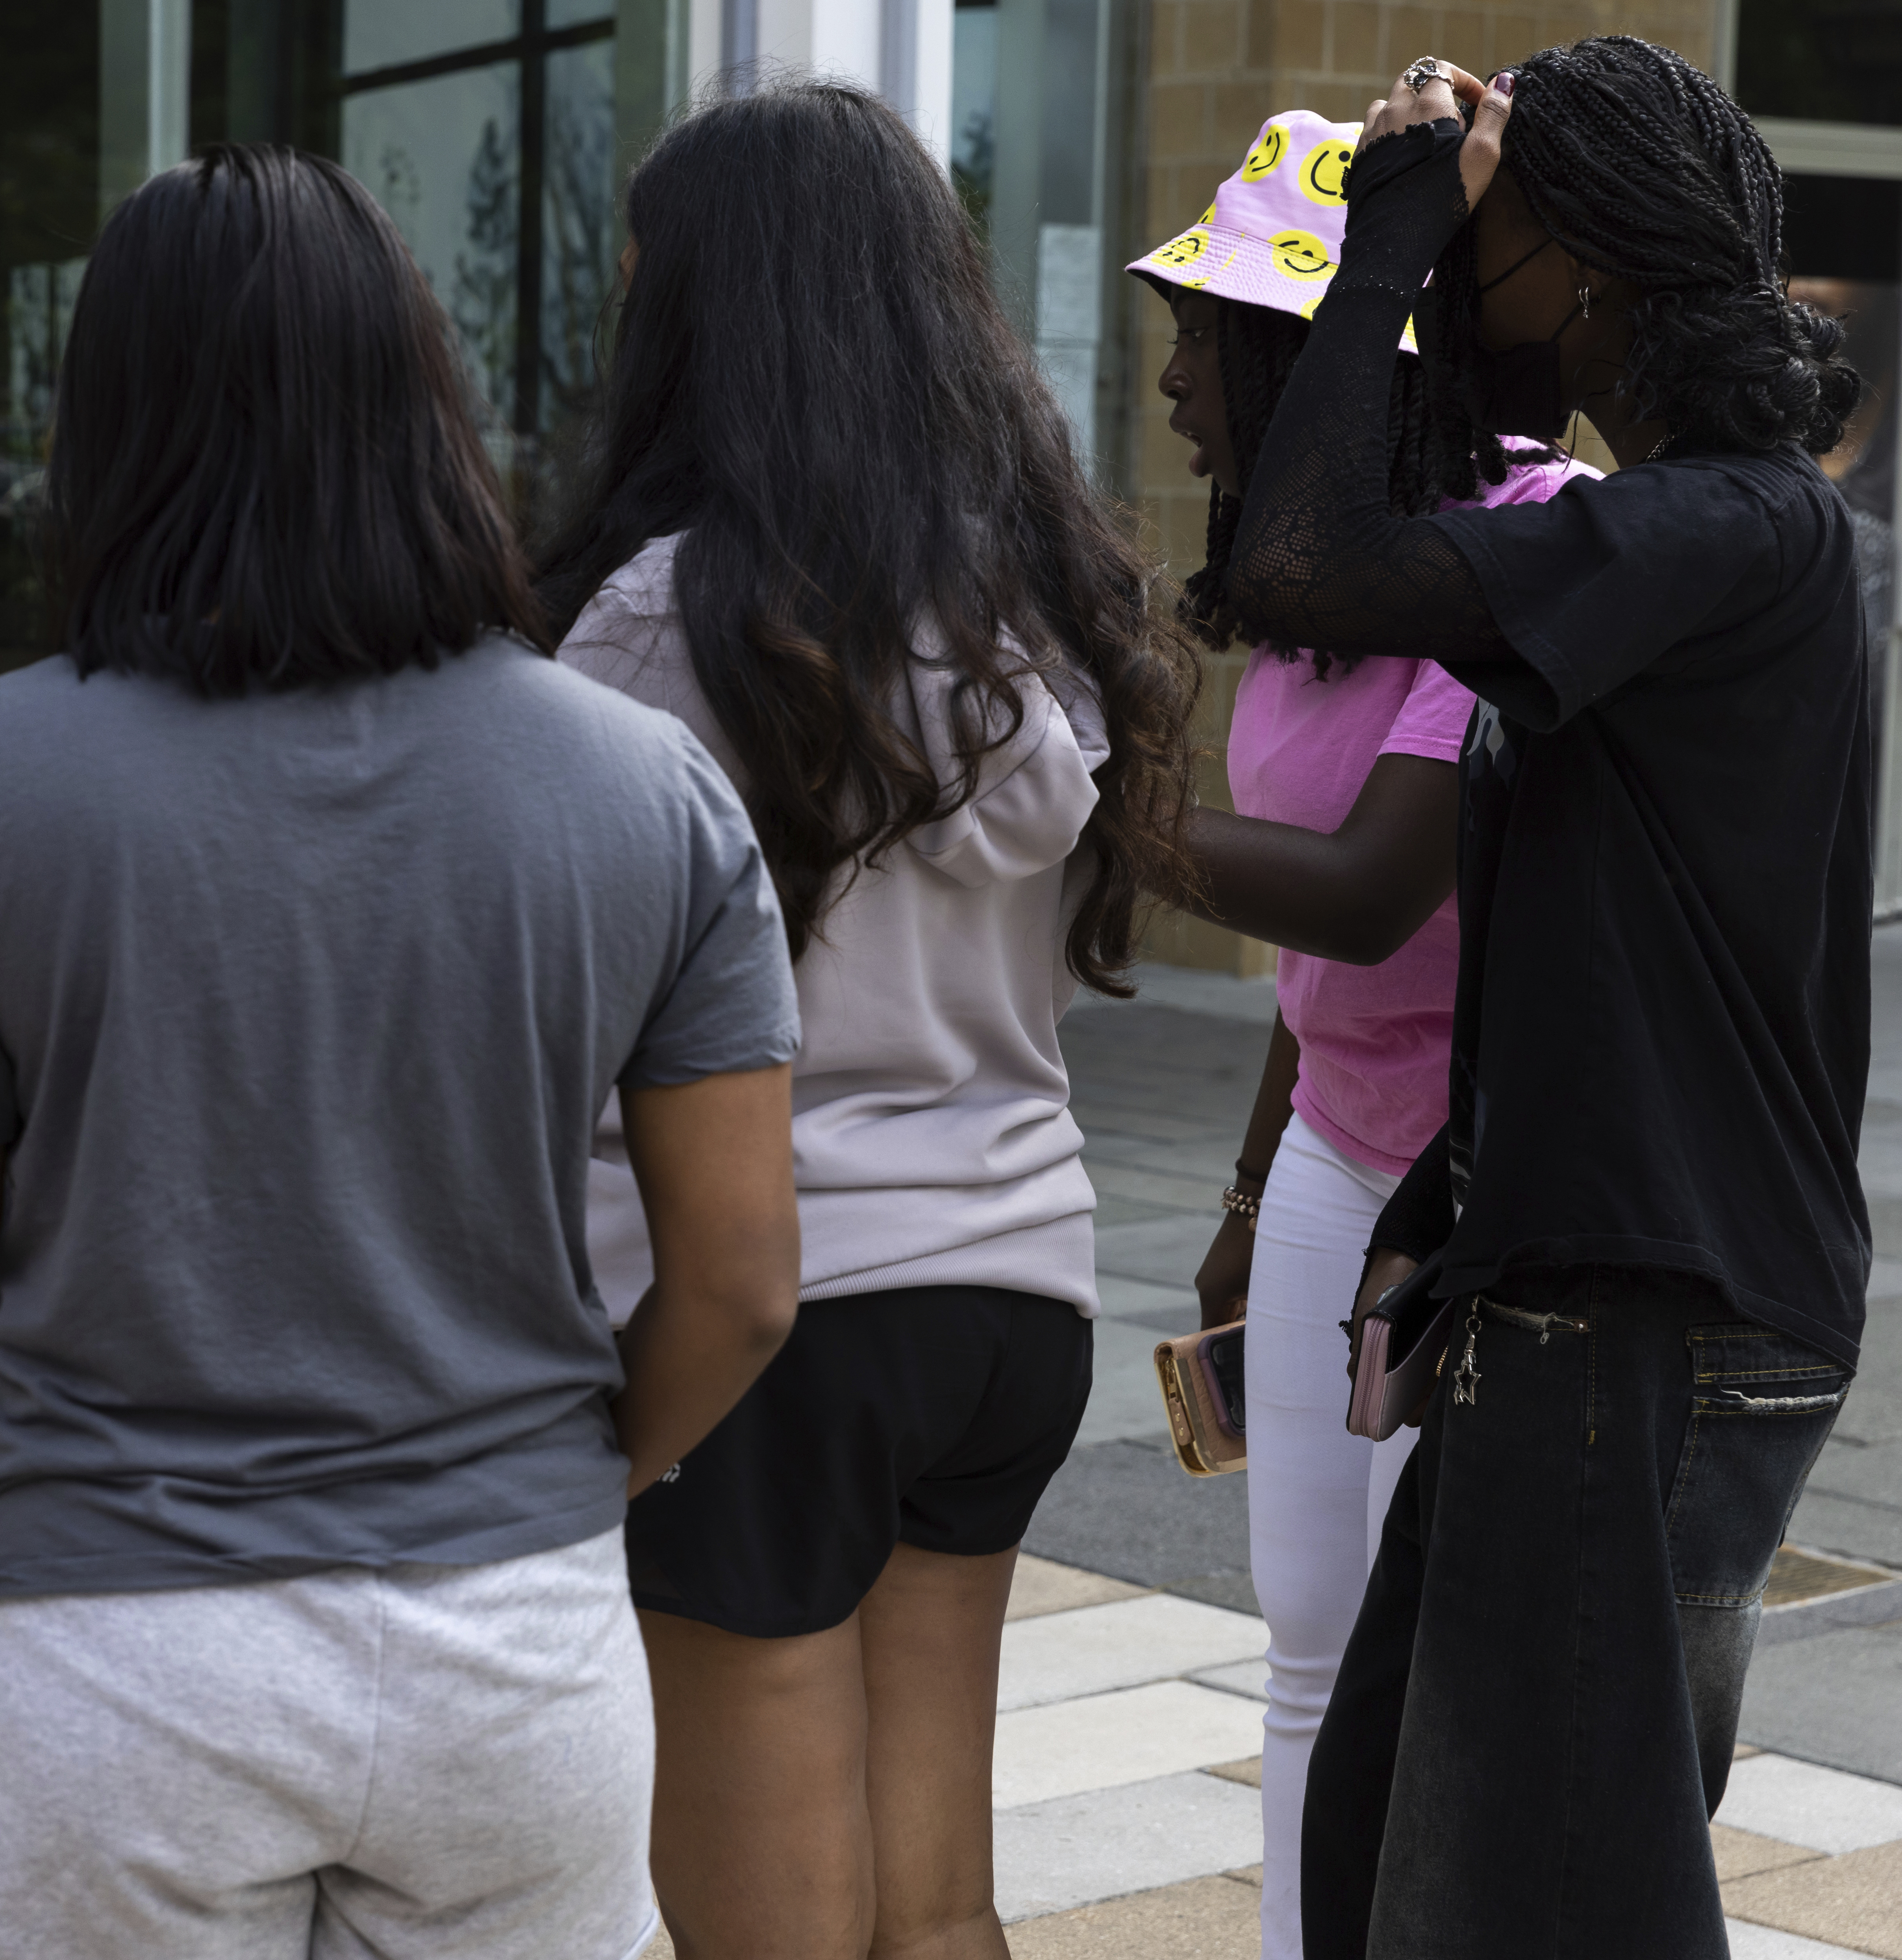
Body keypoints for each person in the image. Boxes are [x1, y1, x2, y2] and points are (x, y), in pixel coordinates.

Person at [0, 144, 808, 1960]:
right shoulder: (641, 783)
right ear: (425, 402)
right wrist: (571, 1482)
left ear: (99, 425)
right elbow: (739, 1285)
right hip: (515, 1651)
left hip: (103, 1650)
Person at [533, 83, 1200, 1960]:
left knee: (768, 1928)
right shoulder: (1032, 609)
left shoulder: (669, 620)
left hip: (765, 1308)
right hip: (1011, 1291)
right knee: (936, 1910)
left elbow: (560, 992)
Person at [1220, 40, 1868, 1958]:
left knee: (1554, 1900)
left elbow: (1298, 554)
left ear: (1574, 261)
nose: (1435, 285)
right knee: (1382, 1853)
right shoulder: (1666, 528)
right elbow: (1401, 510)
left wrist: (1383, 228)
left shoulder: (1714, 530)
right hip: (1574, 1298)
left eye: (1474, 245)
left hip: (1640, 1320)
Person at [1122, 109, 1593, 1960]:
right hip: (1336, 1158)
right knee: (1308, 1636)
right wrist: (1255, 1179)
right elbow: (1319, 970)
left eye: (1203, 333)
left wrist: (1075, 798)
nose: (1171, 376)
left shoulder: (1514, 540)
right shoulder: (1313, 591)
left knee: (1447, 1665)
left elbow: (1365, 886)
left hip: (1483, 1195)